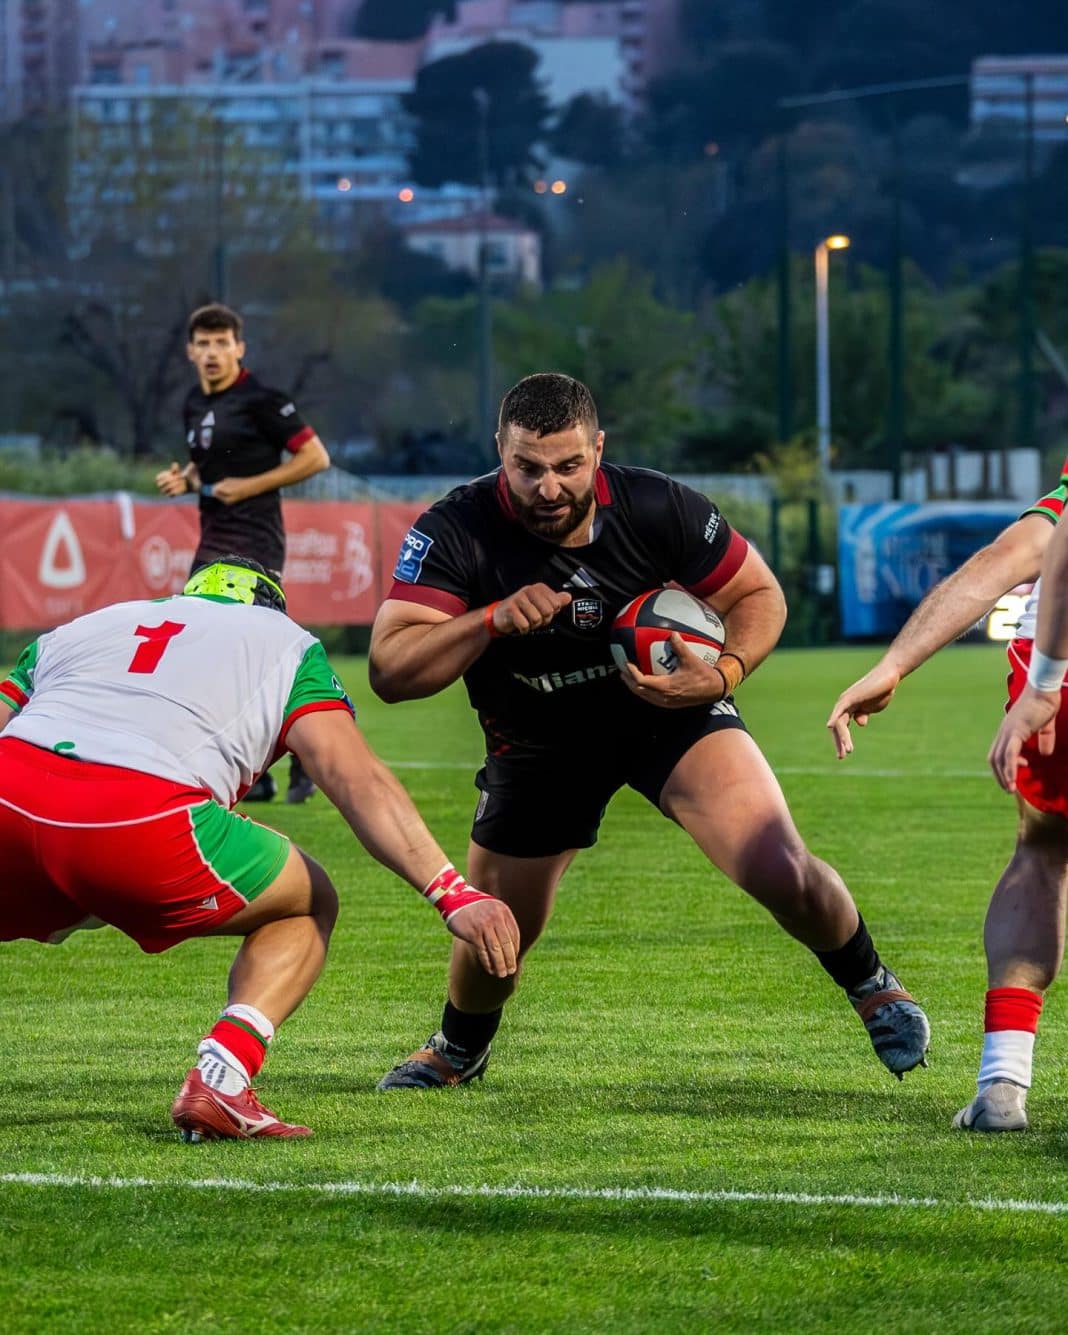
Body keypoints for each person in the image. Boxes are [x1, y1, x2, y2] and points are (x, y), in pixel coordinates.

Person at [367, 372, 929, 1091]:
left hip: (670, 716)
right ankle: (459, 1047)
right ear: (499, 451)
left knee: (778, 863)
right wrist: (490, 619)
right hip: (536, 741)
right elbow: (390, 669)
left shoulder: (657, 505)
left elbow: (759, 594)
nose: (548, 487)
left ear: (598, 449)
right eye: (528, 467)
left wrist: (722, 675)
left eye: (569, 465)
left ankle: (872, 984)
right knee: (498, 929)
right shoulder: (455, 529)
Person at [0, 556, 519, 1141]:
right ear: (271, 606)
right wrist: (451, 893)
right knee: (308, 902)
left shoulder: (89, 624)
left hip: (10, 791)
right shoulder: (286, 643)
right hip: (142, 815)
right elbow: (353, 778)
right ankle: (223, 1077)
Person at [827, 463, 1067, 1131]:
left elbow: (1016, 555)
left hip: (1056, 665)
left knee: (1044, 852)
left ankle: (1002, 1086)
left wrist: (895, 663)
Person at [155, 302, 330, 804]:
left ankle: (307, 750)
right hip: (211, 539)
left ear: (239, 348)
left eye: (222, 343)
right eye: (204, 344)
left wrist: (249, 486)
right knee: (206, 651)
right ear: (190, 352)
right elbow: (205, 463)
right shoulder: (194, 402)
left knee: (256, 652)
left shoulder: (262, 400)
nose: (213, 353)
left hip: (255, 540)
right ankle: (256, 773)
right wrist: (187, 479)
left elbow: (315, 457)